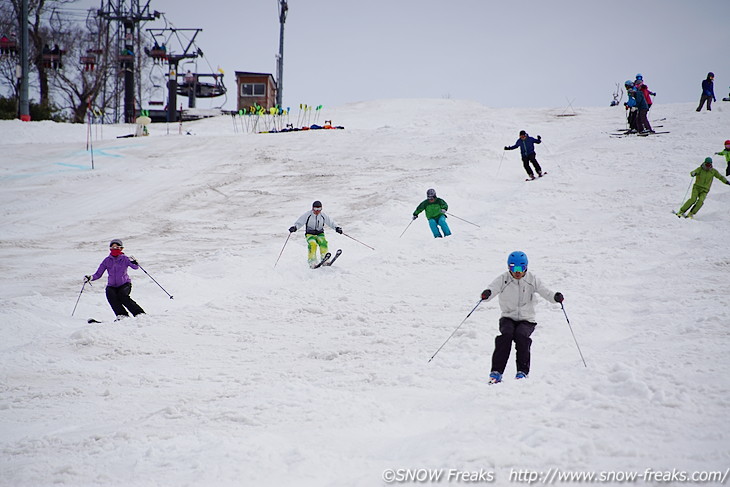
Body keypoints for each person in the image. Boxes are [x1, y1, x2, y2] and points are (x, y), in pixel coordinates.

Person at [479, 251, 564, 383]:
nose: (517, 272)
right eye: (514, 268)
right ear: (509, 267)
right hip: (508, 317)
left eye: (521, 268)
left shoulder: (532, 279)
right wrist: (487, 294)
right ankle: (496, 372)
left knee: (521, 336)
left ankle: (522, 372)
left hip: (527, 319)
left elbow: (545, 291)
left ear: (526, 267)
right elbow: (492, 289)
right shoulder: (503, 279)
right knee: (506, 336)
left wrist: (555, 297)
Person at [85, 239, 145, 320]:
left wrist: (135, 262)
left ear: (121, 248)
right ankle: (122, 316)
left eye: (117, 247)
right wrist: (90, 277)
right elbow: (98, 274)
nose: (114, 249)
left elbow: (135, 267)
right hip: (112, 286)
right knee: (111, 296)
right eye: (112, 247)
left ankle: (139, 314)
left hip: (124, 284)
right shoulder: (107, 260)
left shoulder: (125, 259)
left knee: (123, 296)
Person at [289, 200, 342, 267]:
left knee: (323, 243)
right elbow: (300, 221)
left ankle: (324, 259)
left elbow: (330, 222)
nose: (317, 211)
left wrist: (337, 228)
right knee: (313, 244)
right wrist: (295, 227)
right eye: (316, 209)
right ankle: (312, 261)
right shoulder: (308, 215)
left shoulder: (323, 215)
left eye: (319, 209)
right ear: (312, 208)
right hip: (310, 234)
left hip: (320, 233)